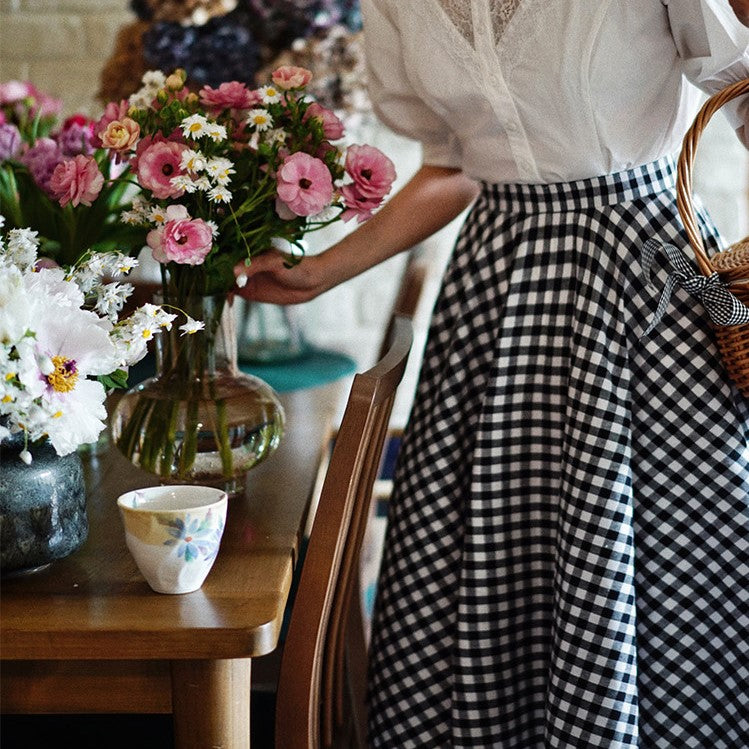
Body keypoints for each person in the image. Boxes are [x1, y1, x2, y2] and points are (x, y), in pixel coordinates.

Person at [236, 1, 749, 746]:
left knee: (665, 550)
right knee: (498, 548)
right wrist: (319, 273)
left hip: (650, 277)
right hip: (495, 282)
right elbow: (450, 170)